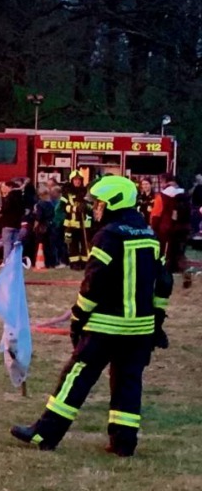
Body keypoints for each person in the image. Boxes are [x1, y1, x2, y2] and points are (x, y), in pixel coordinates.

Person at [12, 176, 171, 456]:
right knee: (128, 382)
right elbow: (164, 282)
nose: (95, 209)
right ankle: (123, 442)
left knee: (76, 378)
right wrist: (157, 320)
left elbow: (94, 283)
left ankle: (44, 434)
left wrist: (78, 316)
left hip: (106, 326)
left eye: (99, 203)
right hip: (140, 329)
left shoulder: (109, 236)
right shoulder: (148, 234)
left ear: (113, 203)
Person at [61, 174, 92, 269]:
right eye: (75, 180)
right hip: (71, 224)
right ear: (72, 181)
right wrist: (75, 208)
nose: (77, 182)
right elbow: (63, 207)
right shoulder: (66, 193)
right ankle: (74, 263)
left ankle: (85, 263)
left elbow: (91, 206)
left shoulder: (86, 192)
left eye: (79, 180)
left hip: (84, 224)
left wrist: (86, 207)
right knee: (72, 245)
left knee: (85, 245)